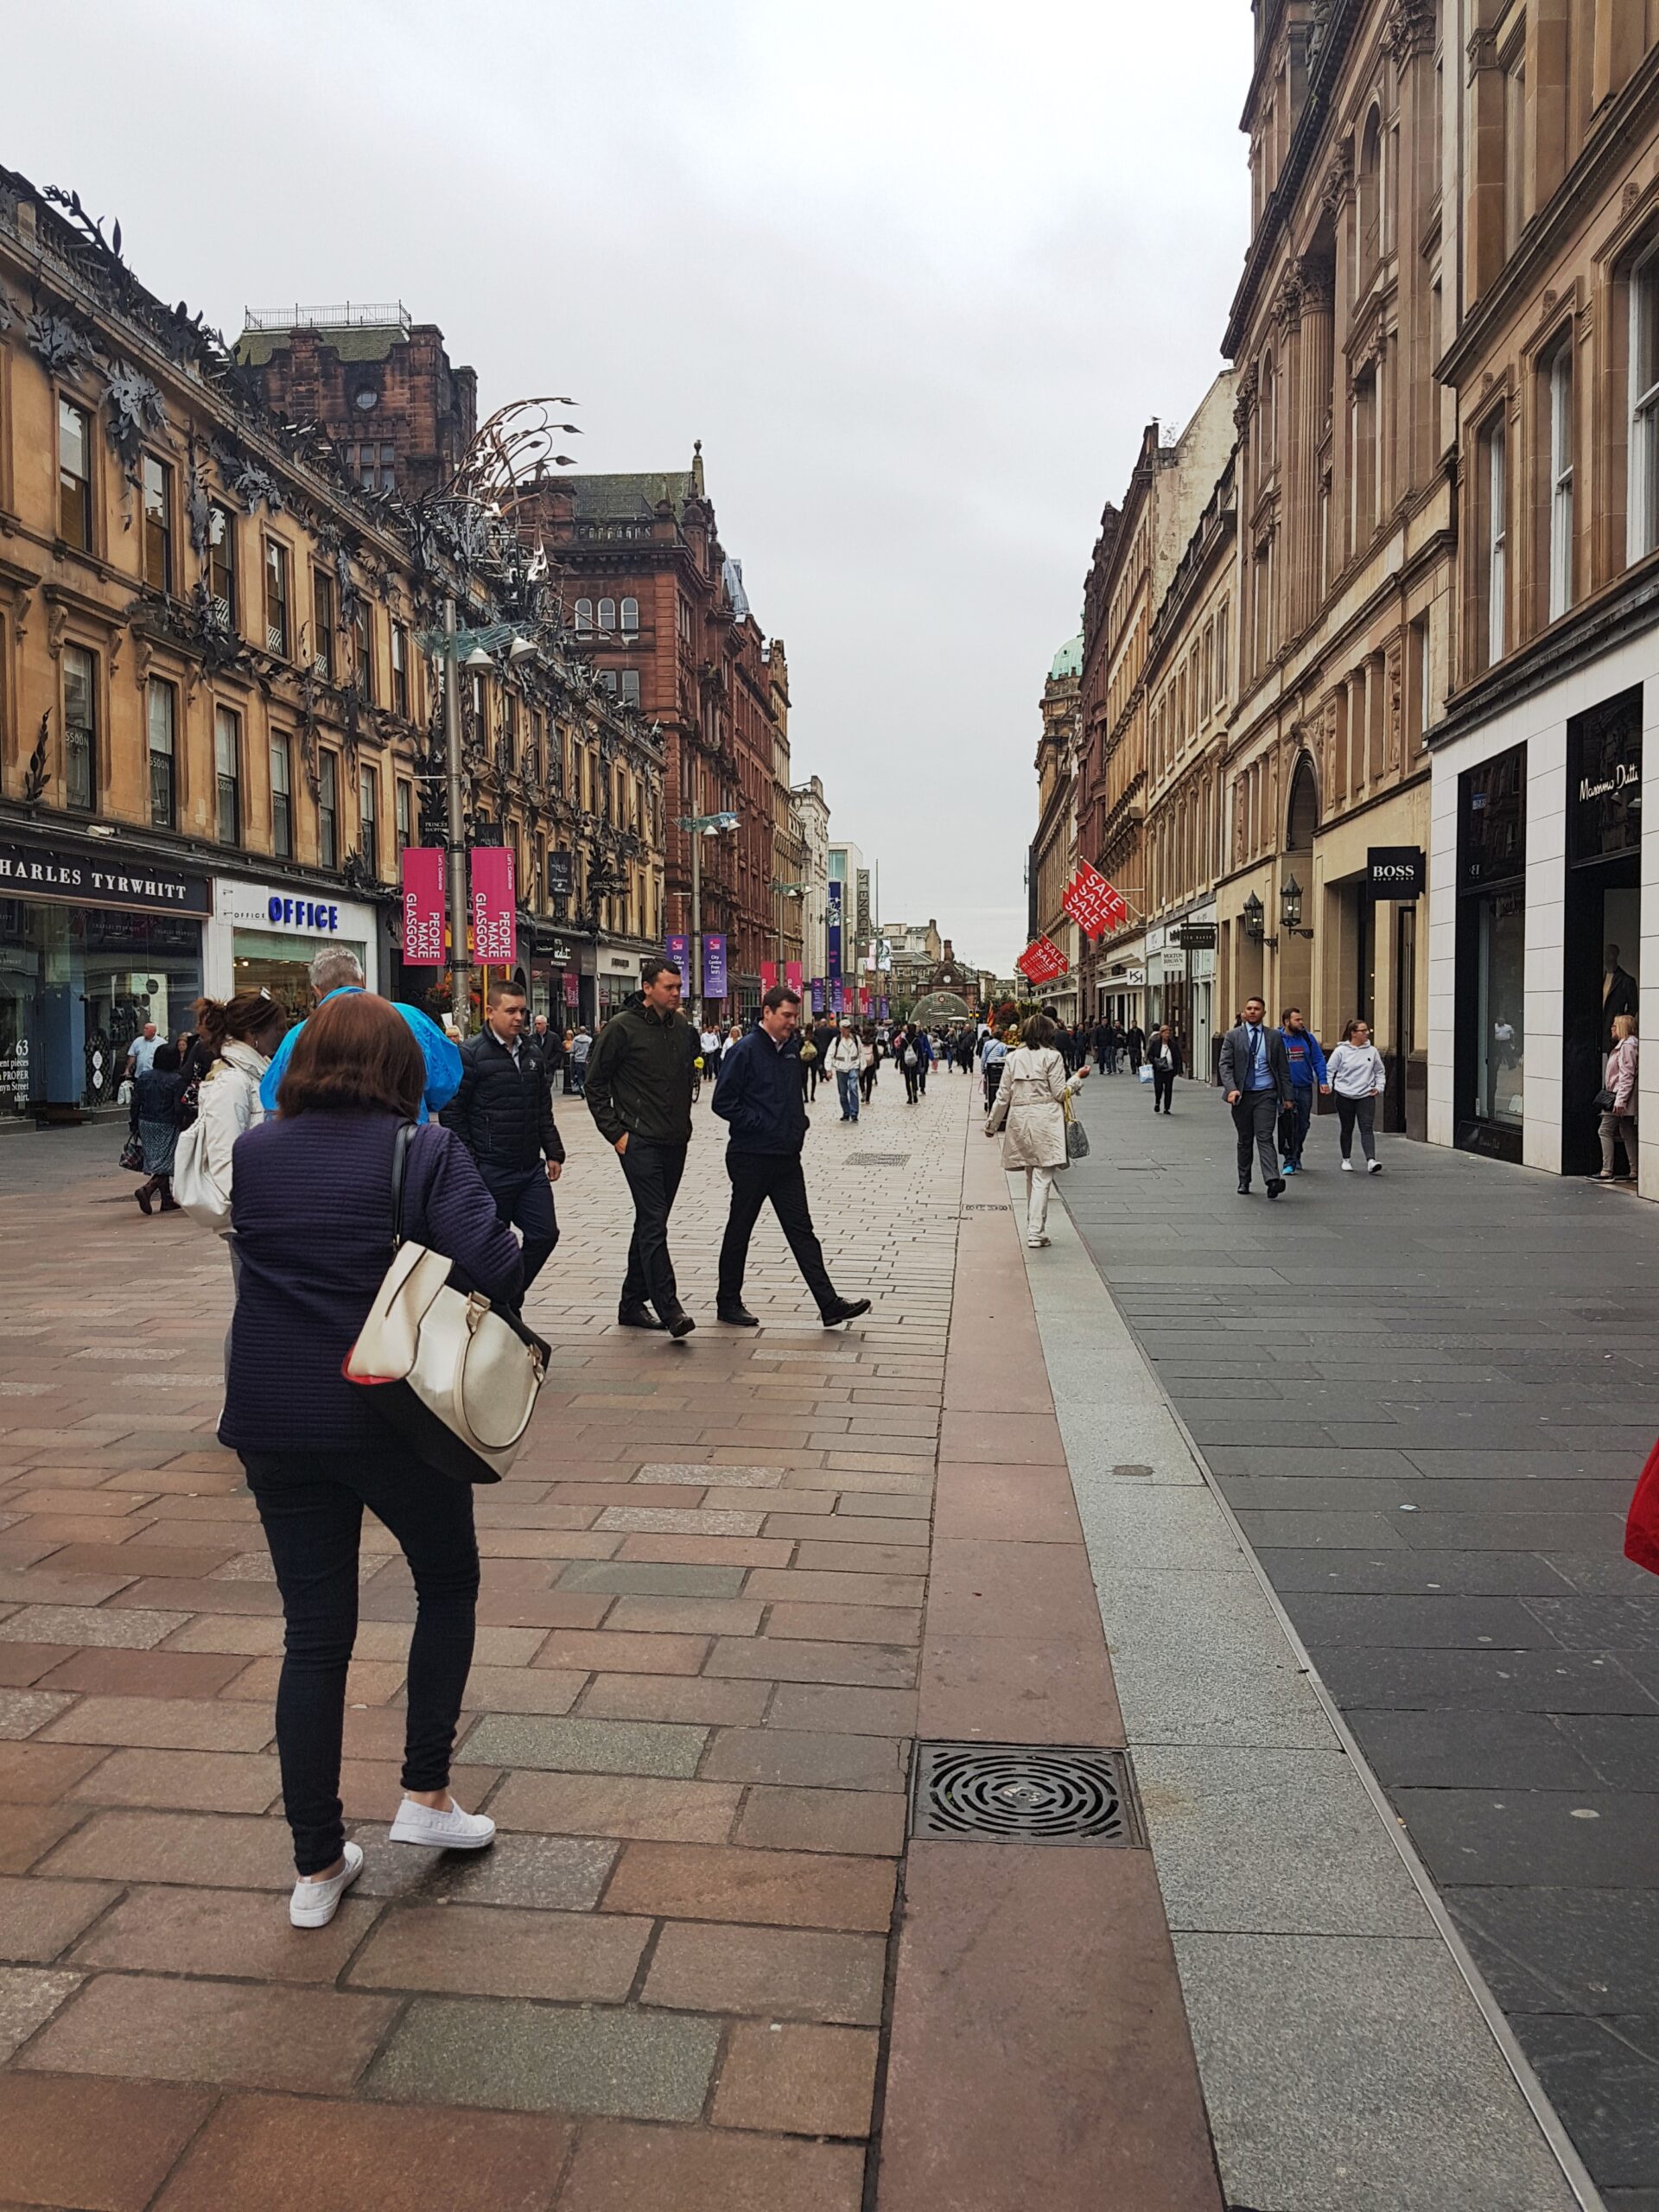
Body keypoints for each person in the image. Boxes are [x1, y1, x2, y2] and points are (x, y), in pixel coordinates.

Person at [220, 992, 521, 1926]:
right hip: (390, 1415)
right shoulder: (423, 1149)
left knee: (313, 1636)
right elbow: (497, 1265)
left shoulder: (257, 1152)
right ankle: (425, 1793)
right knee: (447, 1580)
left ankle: (316, 1867)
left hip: (273, 1416)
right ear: (401, 1070)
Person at [712, 983, 874, 1329]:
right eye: (786, 1015)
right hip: (751, 1156)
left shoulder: (790, 1050)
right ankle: (728, 1302)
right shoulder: (744, 1051)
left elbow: (790, 1096)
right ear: (767, 1013)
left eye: (794, 1016)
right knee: (740, 1228)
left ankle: (829, 1304)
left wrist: (797, 1124)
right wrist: (761, 1123)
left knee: (802, 1231)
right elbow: (722, 1102)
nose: (791, 1022)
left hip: (785, 1157)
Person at [584, 957, 697, 1337]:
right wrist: (616, 1134)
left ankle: (631, 1302)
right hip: (639, 1140)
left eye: (679, 987)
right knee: (652, 1220)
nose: (677, 993)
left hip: (674, 1139)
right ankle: (670, 1308)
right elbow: (594, 1084)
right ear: (647, 988)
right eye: (669, 987)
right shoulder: (621, 1028)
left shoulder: (681, 1028)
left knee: (654, 1221)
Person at [442, 982, 565, 1291]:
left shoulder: (532, 1052)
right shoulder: (470, 1054)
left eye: (523, 1011)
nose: (519, 1018)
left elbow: (542, 1108)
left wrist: (553, 1151)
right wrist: (472, 1163)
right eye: (511, 1011)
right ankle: (500, 1303)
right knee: (494, 1247)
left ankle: (510, 1295)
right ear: (490, 1011)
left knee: (544, 1234)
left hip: (529, 1167)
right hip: (491, 1169)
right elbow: (452, 1113)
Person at [259, 949, 460, 1121]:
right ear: (362, 980)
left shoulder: (300, 1034)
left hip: (322, 1145)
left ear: (316, 991)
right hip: (402, 1141)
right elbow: (445, 1084)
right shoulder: (411, 1019)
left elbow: (274, 1101)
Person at [186, 988, 290, 1237]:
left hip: (261, 1212)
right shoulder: (232, 1081)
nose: (284, 1033)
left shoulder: (256, 1072)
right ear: (253, 1033)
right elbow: (225, 1159)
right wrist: (253, 1213)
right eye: (278, 1027)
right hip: (249, 1221)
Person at [986, 1013, 1090, 1249]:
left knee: (1031, 1174)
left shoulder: (1013, 1057)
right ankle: (1035, 1232)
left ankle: (1034, 1227)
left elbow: (1002, 1095)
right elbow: (1060, 1093)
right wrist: (1077, 1078)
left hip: (1020, 1120)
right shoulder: (1053, 1057)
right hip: (1046, 1120)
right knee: (1043, 1177)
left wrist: (992, 1124)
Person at [1219, 995, 1294, 1198]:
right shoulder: (1233, 1036)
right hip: (1241, 1096)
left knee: (1264, 1136)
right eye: (1249, 1008)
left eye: (1257, 1009)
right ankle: (1244, 1180)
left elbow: (1283, 1068)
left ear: (1264, 1013)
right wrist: (1231, 1089)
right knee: (1245, 1139)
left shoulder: (1274, 1037)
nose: (1252, 1012)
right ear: (1244, 1013)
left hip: (1266, 1094)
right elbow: (1225, 1066)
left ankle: (1272, 1180)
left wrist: (1288, 1097)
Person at [1326, 1017, 1388, 1173]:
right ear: (1353, 1033)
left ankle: (1371, 1160)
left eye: (1367, 1030)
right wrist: (1329, 1085)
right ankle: (1346, 1159)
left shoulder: (1372, 1051)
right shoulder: (1341, 1051)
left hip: (1365, 1094)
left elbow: (1379, 1071)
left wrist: (1379, 1087)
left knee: (1366, 1127)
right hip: (1344, 1094)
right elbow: (1330, 1069)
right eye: (1363, 1030)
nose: (1367, 1033)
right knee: (1347, 1127)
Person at [1276, 1007, 1331, 1174]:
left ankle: (1296, 1150)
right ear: (1287, 1022)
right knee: (1288, 1124)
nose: (1301, 1022)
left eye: (1301, 1019)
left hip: (1305, 1087)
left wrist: (1323, 1080)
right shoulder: (1277, 1038)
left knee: (1303, 1124)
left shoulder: (1308, 1038)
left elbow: (1318, 1059)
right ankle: (1290, 1160)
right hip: (1285, 1089)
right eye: (1297, 1020)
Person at [133, 1044, 184, 1215]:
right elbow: (177, 1106)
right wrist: (182, 1122)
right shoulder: (176, 1079)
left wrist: (134, 1123)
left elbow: (136, 1102)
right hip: (167, 1122)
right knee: (168, 1161)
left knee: (159, 1160)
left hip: (146, 1121)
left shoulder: (144, 1076)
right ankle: (148, 1188)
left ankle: (166, 1199)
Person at [1599, 1012, 1639, 1183]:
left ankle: (1606, 1170)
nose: (1612, 1028)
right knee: (1627, 1131)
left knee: (1604, 1130)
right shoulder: (1627, 1045)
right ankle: (1634, 1169)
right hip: (1621, 1096)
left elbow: (1626, 1075)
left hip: (1618, 1096)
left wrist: (1620, 1100)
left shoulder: (1626, 1047)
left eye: (1615, 1025)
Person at [1604, 944, 1639, 1050]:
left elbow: (1633, 1007)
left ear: (1615, 956)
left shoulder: (1626, 981)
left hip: (1614, 1030)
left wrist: (1621, 1024)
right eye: (1605, 954)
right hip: (1597, 1029)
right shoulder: (1598, 979)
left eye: (1609, 954)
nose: (1606, 957)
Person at [826, 1021, 862, 1122]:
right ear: (841, 1029)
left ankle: (854, 1113)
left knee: (853, 1088)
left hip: (853, 1065)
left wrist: (862, 1067)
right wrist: (828, 1069)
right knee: (843, 1092)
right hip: (840, 1067)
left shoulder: (856, 1039)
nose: (847, 1030)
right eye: (845, 1028)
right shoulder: (836, 1040)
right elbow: (830, 1054)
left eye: (848, 1028)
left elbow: (861, 1053)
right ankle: (846, 1112)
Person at [1148, 1023, 1181, 1113]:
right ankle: (1157, 1102)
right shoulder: (1156, 1044)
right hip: (1159, 1070)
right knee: (1158, 1088)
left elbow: (1178, 1056)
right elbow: (1150, 1055)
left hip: (1169, 1071)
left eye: (1169, 1033)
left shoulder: (1173, 1045)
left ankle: (1167, 1108)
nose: (1167, 1035)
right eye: (1166, 1033)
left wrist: (1178, 1069)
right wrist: (1155, 1061)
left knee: (1168, 1089)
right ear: (1161, 1034)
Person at [124, 1020, 161, 1085]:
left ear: (153, 1031)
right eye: (144, 1028)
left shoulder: (161, 1042)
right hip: (139, 1075)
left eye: (147, 1029)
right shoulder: (138, 1041)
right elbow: (132, 1056)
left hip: (154, 1076)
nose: (144, 1030)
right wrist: (127, 1069)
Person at [899, 1025, 925, 1105]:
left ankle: (910, 1096)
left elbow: (901, 1052)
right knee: (914, 1078)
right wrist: (922, 1062)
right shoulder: (916, 1040)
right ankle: (915, 1093)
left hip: (906, 1061)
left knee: (907, 1079)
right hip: (915, 1061)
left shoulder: (904, 1039)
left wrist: (899, 1063)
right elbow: (920, 1052)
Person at [568, 1022, 594, 1096]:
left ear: (579, 1031)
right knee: (586, 1076)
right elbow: (591, 1050)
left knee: (579, 1076)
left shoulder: (575, 1039)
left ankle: (581, 1087)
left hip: (577, 1060)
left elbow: (572, 1050)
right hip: (586, 1060)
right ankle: (585, 1088)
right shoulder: (589, 1040)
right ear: (586, 1031)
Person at [859, 1027, 880, 1106]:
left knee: (861, 1079)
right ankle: (867, 1098)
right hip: (871, 1063)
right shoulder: (873, 1042)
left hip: (862, 1062)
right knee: (869, 1081)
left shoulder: (860, 1041)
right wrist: (877, 1063)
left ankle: (863, 1091)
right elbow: (876, 1054)